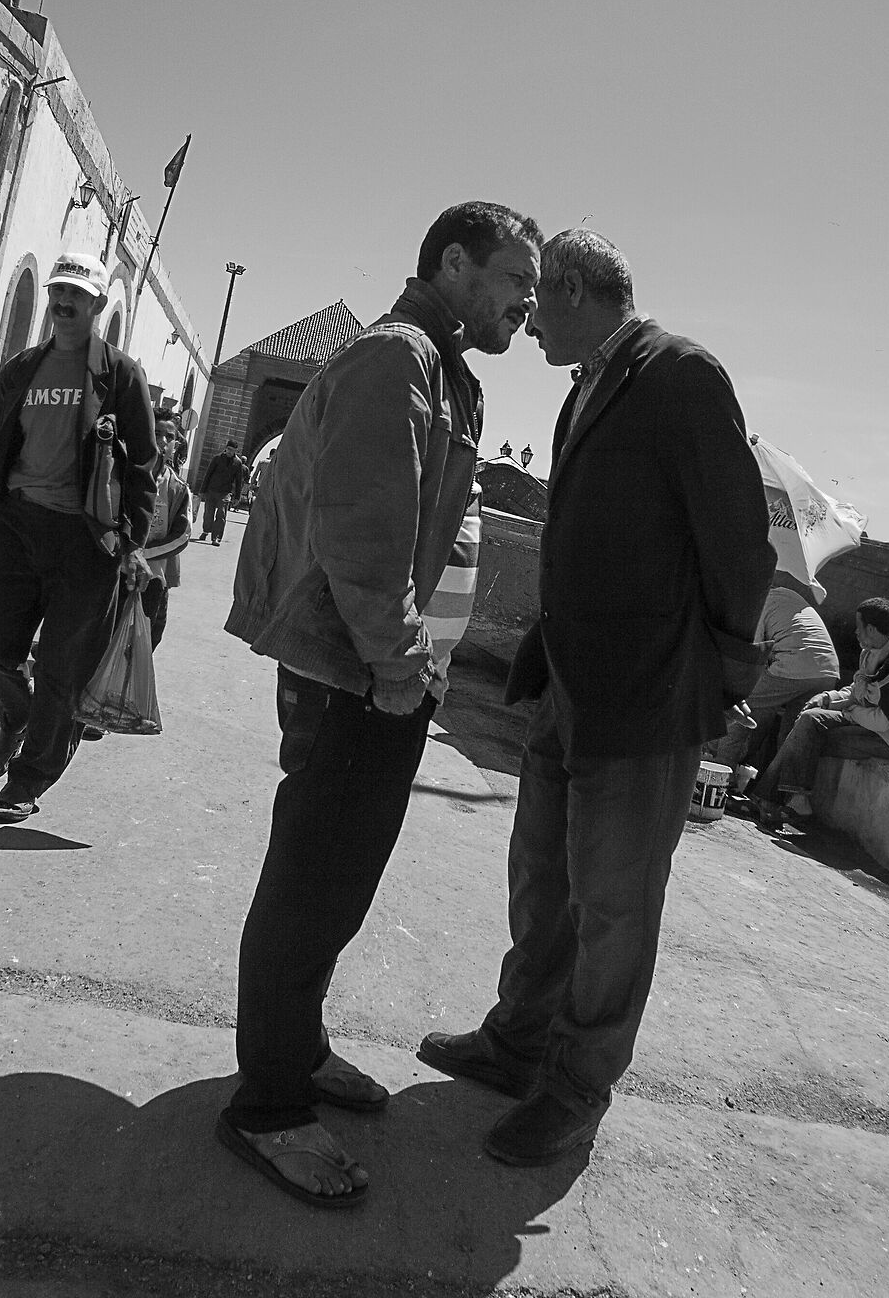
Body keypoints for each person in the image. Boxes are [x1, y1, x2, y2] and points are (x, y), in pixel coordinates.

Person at [417, 228, 771, 1168]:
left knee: (614, 906)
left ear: (577, 288)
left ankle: (576, 1089)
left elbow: (740, 547)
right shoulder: (588, 387)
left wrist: (723, 678)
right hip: (572, 687)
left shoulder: (681, 375)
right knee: (542, 879)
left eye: (539, 295)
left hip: (647, 700)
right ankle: (518, 1042)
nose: (528, 318)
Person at [217, 200, 543, 1207]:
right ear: (454, 263)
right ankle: (268, 1105)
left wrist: (414, 670)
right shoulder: (396, 359)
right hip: (352, 671)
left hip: (384, 675)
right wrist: (402, 665)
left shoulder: (442, 370)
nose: (529, 305)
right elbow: (363, 534)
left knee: (339, 881)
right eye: (516, 280)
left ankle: (299, 1047)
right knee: (311, 882)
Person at [0, 250, 159, 824]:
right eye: (58, 291)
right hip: (19, 525)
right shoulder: (21, 369)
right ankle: (16, 715)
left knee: (63, 670)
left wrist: (133, 542)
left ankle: (27, 781)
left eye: (76, 295)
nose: (63, 302)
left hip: (87, 542)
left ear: (98, 304)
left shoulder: (121, 376)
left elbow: (143, 465)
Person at [753, 596, 889, 832]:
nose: (856, 633)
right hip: (863, 721)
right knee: (809, 719)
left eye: (859, 627)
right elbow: (856, 691)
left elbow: (882, 722)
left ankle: (776, 800)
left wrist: (848, 710)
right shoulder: (873, 652)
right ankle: (787, 800)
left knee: (807, 732)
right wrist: (827, 699)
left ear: (871, 628)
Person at [710, 573, 840, 792]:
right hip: (828, 671)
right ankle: (772, 797)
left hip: (794, 664)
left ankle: (720, 775)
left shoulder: (759, 604)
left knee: (739, 708)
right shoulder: (787, 595)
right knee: (791, 735)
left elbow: (752, 656)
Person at [140, 413, 194, 647]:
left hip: (154, 576)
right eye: (157, 433)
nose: (162, 441)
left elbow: (182, 535)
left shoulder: (177, 489)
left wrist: (142, 554)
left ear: (176, 444)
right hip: (117, 570)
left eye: (169, 437)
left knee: (148, 637)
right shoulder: (126, 474)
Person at [196, 441, 248, 544]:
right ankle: (206, 531)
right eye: (228, 449)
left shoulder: (237, 463)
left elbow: (238, 481)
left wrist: (237, 497)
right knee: (208, 513)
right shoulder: (217, 458)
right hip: (212, 490)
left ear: (236, 451)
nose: (229, 452)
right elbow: (208, 474)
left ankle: (216, 537)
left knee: (221, 514)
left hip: (225, 492)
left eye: (232, 450)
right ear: (226, 448)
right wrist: (202, 490)